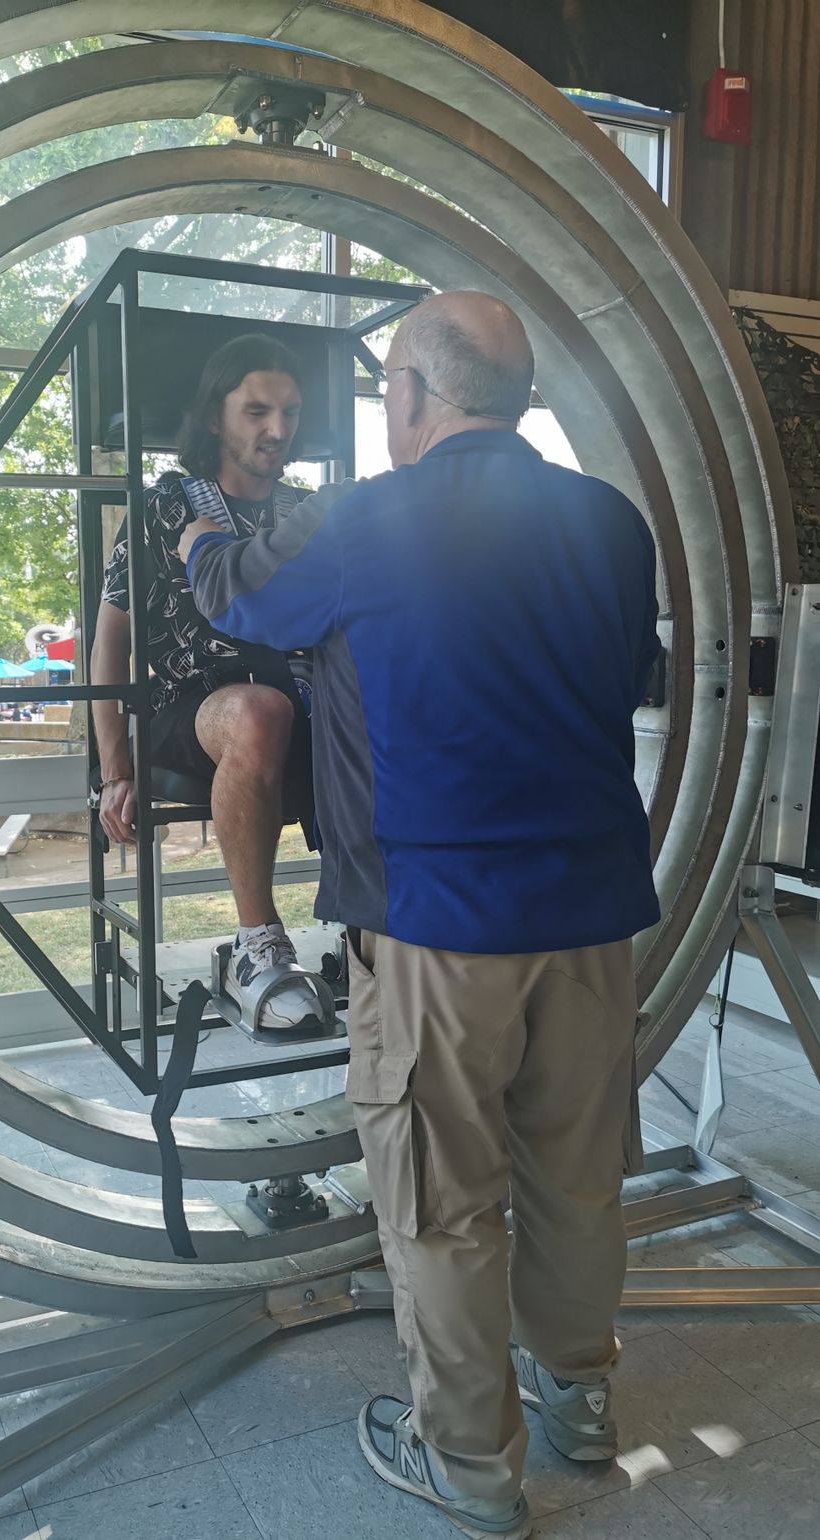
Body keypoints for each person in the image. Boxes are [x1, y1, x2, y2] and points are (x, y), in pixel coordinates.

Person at [181, 291, 661, 1540]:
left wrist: (190, 532)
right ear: (523, 398)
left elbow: (243, 602)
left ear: (407, 395)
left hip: (437, 921)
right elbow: (620, 680)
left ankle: (471, 1466)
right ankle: (582, 1402)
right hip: (594, 919)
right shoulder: (612, 525)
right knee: (575, 1178)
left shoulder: (366, 522)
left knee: (444, 1204)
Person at [91, 332, 326, 1033]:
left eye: (288, 411)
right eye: (256, 410)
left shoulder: (306, 511)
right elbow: (111, 639)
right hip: (190, 707)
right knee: (258, 714)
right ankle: (257, 945)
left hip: (300, 700)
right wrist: (114, 769)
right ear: (216, 417)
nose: (277, 428)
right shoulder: (170, 504)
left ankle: (377, 928)